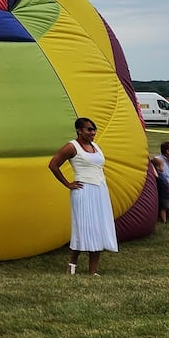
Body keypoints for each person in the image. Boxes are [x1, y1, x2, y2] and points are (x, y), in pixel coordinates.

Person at [48, 117, 116, 276]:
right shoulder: (72, 147)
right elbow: (53, 164)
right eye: (89, 129)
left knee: (98, 227)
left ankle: (93, 271)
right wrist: (68, 184)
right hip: (83, 190)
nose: (93, 132)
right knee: (83, 227)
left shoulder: (96, 146)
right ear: (79, 130)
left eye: (94, 129)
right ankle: (72, 264)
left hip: (99, 190)